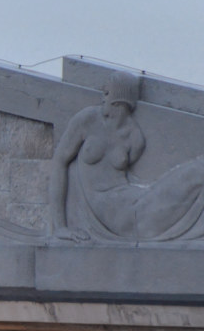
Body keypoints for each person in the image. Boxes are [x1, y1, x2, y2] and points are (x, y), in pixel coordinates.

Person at [50, 70, 204, 241]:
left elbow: (134, 178)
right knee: (197, 172)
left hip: (132, 200)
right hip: (115, 214)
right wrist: (60, 227)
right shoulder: (87, 119)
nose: (102, 99)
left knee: (197, 171)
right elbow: (59, 163)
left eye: (107, 93)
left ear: (119, 99)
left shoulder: (134, 136)